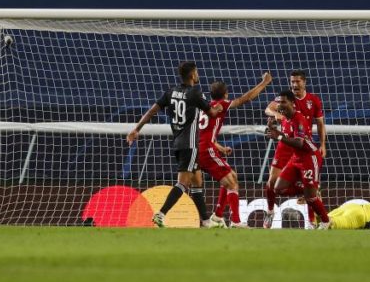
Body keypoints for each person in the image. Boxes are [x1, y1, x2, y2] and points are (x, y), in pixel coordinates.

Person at [127, 61, 224, 228]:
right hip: (190, 145)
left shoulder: (171, 92)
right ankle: (161, 213)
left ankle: (206, 221)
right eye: (197, 72)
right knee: (183, 183)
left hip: (178, 143)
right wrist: (220, 108)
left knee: (197, 181)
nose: (198, 75)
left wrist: (136, 129)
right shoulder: (195, 92)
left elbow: (152, 111)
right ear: (193, 75)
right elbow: (212, 113)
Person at [199, 72, 272, 228]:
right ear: (225, 95)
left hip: (203, 149)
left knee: (232, 176)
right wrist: (264, 83)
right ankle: (236, 221)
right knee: (232, 184)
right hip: (206, 151)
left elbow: (205, 135)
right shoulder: (221, 105)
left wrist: (221, 148)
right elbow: (246, 98)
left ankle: (218, 216)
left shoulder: (206, 108)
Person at [263, 70, 326, 227]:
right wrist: (279, 116)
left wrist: (323, 144)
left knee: (309, 185)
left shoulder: (314, 100)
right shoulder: (285, 98)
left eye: (297, 81)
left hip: (301, 145)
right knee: (271, 183)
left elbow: (320, 124)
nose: (294, 84)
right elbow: (268, 109)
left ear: (304, 82)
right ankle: (270, 212)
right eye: (292, 81)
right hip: (285, 145)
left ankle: (312, 222)